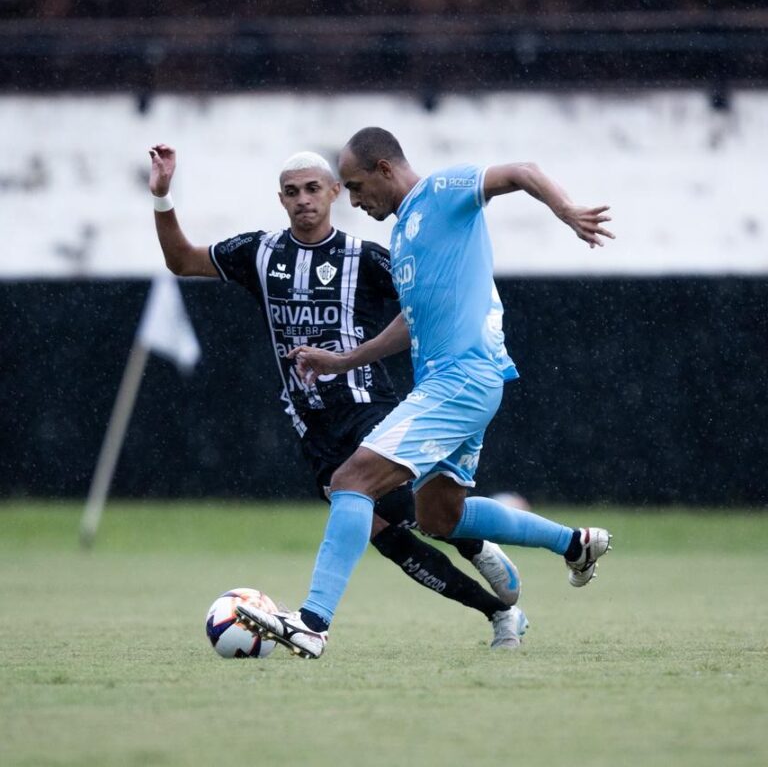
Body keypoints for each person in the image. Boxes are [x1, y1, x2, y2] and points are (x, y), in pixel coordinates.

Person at [236, 127, 615, 659]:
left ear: (384, 170)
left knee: (351, 480)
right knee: (439, 516)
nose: (354, 200)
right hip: (459, 382)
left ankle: (312, 623)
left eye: (356, 186)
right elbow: (410, 322)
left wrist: (567, 211)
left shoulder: (441, 192)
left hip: (461, 380)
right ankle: (574, 544)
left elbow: (522, 171)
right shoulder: (404, 235)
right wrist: (343, 360)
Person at [148, 143, 529, 652]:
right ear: (281, 200)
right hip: (314, 428)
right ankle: (499, 611)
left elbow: (426, 301)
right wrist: (162, 196)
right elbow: (181, 260)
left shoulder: (366, 257)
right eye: (292, 192)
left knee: (412, 511)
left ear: (333, 193)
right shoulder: (258, 253)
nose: (303, 199)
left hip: (369, 408)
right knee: (391, 539)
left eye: (313, 189)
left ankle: (476, 547)